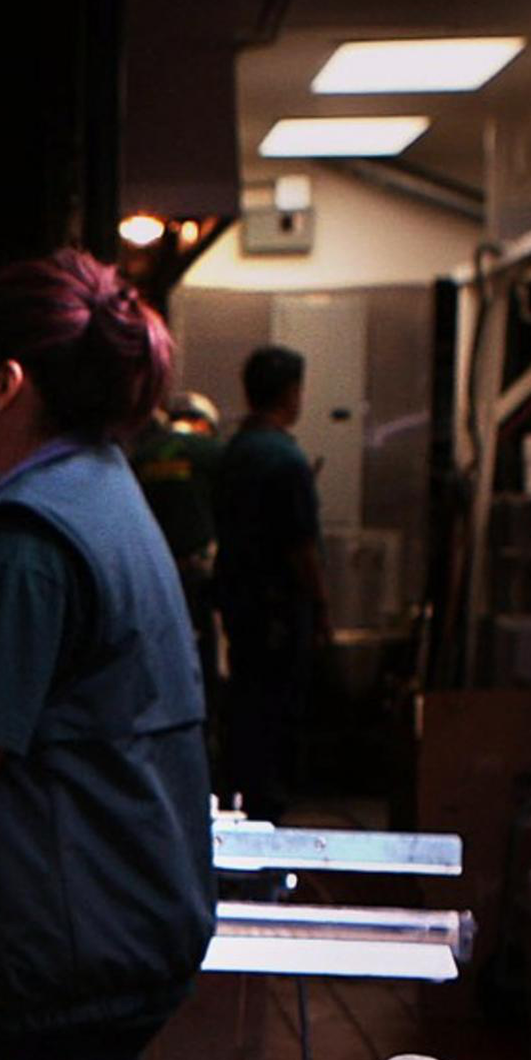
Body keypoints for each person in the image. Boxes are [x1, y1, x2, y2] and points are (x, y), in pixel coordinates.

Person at [0, 251, 217, 1060]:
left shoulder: (21, 543)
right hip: (109, 936)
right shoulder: (103, 493)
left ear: (8, 382)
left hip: (50, 961)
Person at [208, 346, 320, 820]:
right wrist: (321, 607)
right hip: (278, 607)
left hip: (237, 602)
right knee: (275, 711)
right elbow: (301, 548)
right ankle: (268, 808)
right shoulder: (286, 460)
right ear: (291, 394)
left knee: (245, 703)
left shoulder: (231, 453)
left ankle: (240, 794)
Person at [129, 387, 226, 715]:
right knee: (202, 662)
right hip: (198, 575)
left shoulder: (141, 454)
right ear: (205, 424)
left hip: (148, 578)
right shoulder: (212, 452)